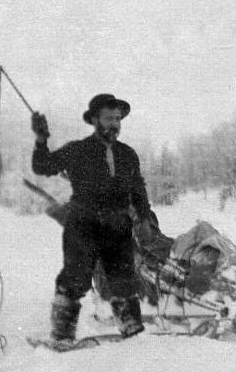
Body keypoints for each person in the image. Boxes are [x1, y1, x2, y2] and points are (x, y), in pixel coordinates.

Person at [31, 93, 154, 345]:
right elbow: (43, 166)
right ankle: (62, 336)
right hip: (83, 225)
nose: (115, 124)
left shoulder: (128, 154)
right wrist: (42, 139)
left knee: (124, 281)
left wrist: (143, 219)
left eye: (118, 118)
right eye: (109, 118)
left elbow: (138, 189)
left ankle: (132, 333)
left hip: (118, 227)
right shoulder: (78, 150)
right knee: (75, 279)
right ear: (95, 120)